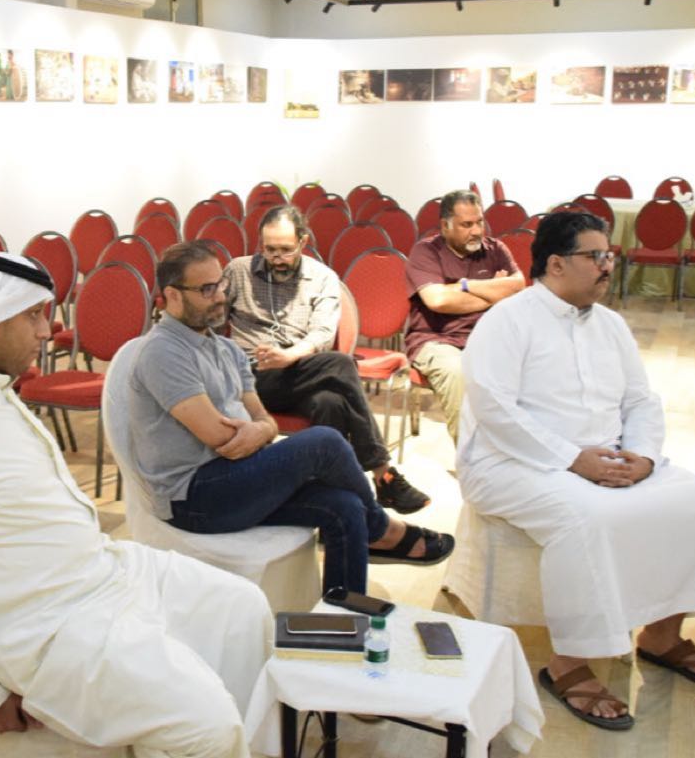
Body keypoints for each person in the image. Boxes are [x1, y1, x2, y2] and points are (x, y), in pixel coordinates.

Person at [0, 250, 272, 758]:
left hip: (106, 571)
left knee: (245, 608)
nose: (46, 331)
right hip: (45, 627)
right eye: (33, 314)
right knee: (209, 729)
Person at [458, 211, 695, 730]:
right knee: (587, 518)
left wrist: (643, 457)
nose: (608, 266)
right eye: (596, 256)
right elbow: (495, 411)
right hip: (510, 461)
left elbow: (641, 400)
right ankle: (569, 663)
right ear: (556, 264)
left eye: (609, 255)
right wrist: (572, 458)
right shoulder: (506, 321)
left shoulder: (610, 324)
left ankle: (662, 636)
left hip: (607, 455)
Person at [128, 241, 455, 598]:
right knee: (325, 441)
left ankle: (344, 616)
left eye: (220, 284)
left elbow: (262, 417)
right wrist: (258, 430)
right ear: (173, 296)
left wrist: (260, 429)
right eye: (207, 289)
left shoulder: (225, 348)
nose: (221, 296)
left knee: (345, 507)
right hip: (193, 497)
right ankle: (382, 529)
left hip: (232, 476)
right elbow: (221, 438)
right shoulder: (164, 351)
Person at [224, 205, 431, 514]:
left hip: (297, 373)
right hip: (249, 377)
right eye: (270, 250)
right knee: (341, 365)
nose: (277, 258)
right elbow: (211, 320)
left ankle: (325, 501)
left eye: (285, 250)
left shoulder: (321, 277)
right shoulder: (238, 271)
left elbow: (322, 332)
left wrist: (290, 355)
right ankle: (382, 472)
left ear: (303, 242)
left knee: (330, 402)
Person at [405, 189, 524, 442]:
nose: (477, 231)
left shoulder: (495, 249)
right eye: (467, 225)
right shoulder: (426, 251)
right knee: (458, 371)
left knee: (532, 364)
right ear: (445, 226)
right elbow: (438, 300)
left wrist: (466, 285)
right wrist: (494, 291)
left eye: (480, 222)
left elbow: (517, 287)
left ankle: (516, 449)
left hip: (488, 337)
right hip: (436, 340)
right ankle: (471, 455)